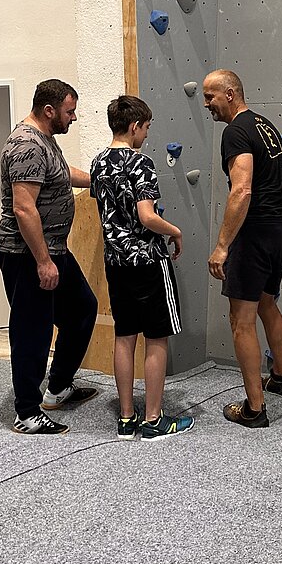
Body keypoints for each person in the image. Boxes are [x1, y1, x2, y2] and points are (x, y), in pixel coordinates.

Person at [0, 79, 98, 435]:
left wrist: (99, 181)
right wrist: (42, 262)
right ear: (49, 110)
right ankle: (26, 412)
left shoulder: (45, 140)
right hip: (26, 254)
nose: (74, 118)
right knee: (32, 331)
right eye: (70, 112)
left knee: (82, 309)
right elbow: (24, 208)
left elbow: (62, 174)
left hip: (53, 249)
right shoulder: (26, 145)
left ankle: (58, 387)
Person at [90, 94, 194, 440]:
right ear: (134, 126)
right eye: (146, 127)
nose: (147, 134)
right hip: (147, 262)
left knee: (124, 336)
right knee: (156, 337)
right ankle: (153, 419)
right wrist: (175, 230)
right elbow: (147, 216)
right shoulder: (141, 163)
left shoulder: (98, 162)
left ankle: (126, 418)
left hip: (116, 263)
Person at [203, 69, 282, 428]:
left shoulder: (235, 131)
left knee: (241, 321)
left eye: (210, 96)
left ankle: (254, 410)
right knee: (267, 302)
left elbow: (241, 190)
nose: (207, 104)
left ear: (230, 93)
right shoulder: (264, 125)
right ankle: (281, 378)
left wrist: (222, 246)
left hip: (255, 232)